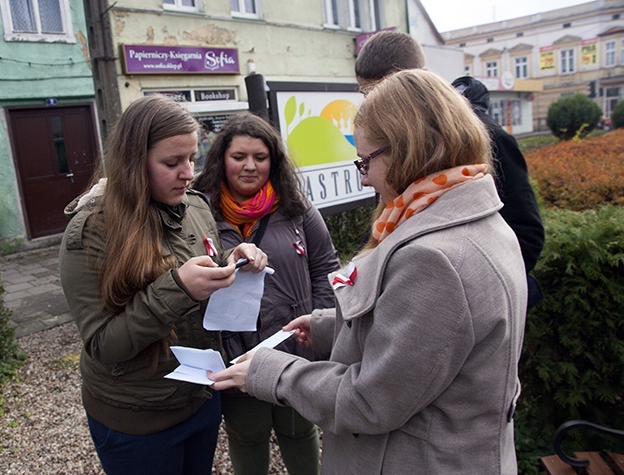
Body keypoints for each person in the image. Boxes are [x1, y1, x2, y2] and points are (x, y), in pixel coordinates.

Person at [209, 69, 529, 474]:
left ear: (407, 149)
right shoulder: (480, 221)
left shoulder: (434, 259)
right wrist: (332, 325)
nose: (364, 178)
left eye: (365, 161)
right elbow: (421, 342)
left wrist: (273, 371)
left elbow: (371, 400)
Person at [58, 95, 267, 475]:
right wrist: (179, 288)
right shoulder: (90, 232)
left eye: (192, 157)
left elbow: (200, 267)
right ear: (134, 163)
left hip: (199, 399)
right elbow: (103, 345)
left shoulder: (196, 206)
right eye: (172, 163)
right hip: (136, 423)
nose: (188, 173)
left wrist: (231, 262)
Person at [193, 112, 340, 475]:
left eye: (260, 157)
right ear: (221, 159)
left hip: (292, 345)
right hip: (234, 350)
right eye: (239, 157)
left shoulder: (295, 208)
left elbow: (325, 266)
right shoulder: (200, 213)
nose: (249, 166)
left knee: (299, 429)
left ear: (272, 161)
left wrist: (317, 326)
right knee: (247, 436)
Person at [355, 30, 545, 307]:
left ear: (423, 77)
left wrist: (468, 292)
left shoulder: (485, 137)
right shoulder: (389, 149)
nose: (378, 108)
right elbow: (392, 220)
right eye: (367, 95)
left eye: (390, 92)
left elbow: (525, 234)